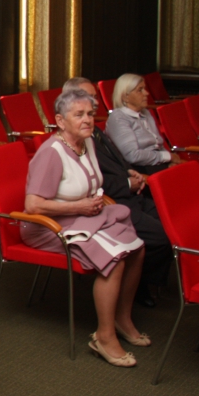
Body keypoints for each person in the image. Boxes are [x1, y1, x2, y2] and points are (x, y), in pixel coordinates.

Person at [23, 90, 149, 368]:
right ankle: (104, 336)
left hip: (84, 216)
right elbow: (32, 206)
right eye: (78, 114)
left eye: (90, 114)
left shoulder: (87, 142)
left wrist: (87, 205)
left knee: (138, 249)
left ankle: (122, 318)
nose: (87, 120)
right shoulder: (52, 153)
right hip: (49, 225)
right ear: (60, 121)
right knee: (115, 259)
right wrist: (78, 207)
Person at [63, 77, 172, 308]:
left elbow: (116, 161)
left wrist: (130, 172)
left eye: (94, 96)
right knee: (161, 236)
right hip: (112, 201)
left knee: (172, 223)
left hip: (128, 193)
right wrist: (127, 183)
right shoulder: (73, 141)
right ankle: (138, 286)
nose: (95, 102)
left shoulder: (95, 130)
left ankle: (140, 279)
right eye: (88, 97)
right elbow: (89, 184)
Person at [105, 73, 181, 175]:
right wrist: (167, 157)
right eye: (140, 90)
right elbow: (133, 156)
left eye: (144, 89)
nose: (146, 93)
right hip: (140, 170)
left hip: (158, 163)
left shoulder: (145, 113)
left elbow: (159, 144)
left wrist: (169, 161)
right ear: (125, 97)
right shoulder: (118, 118)